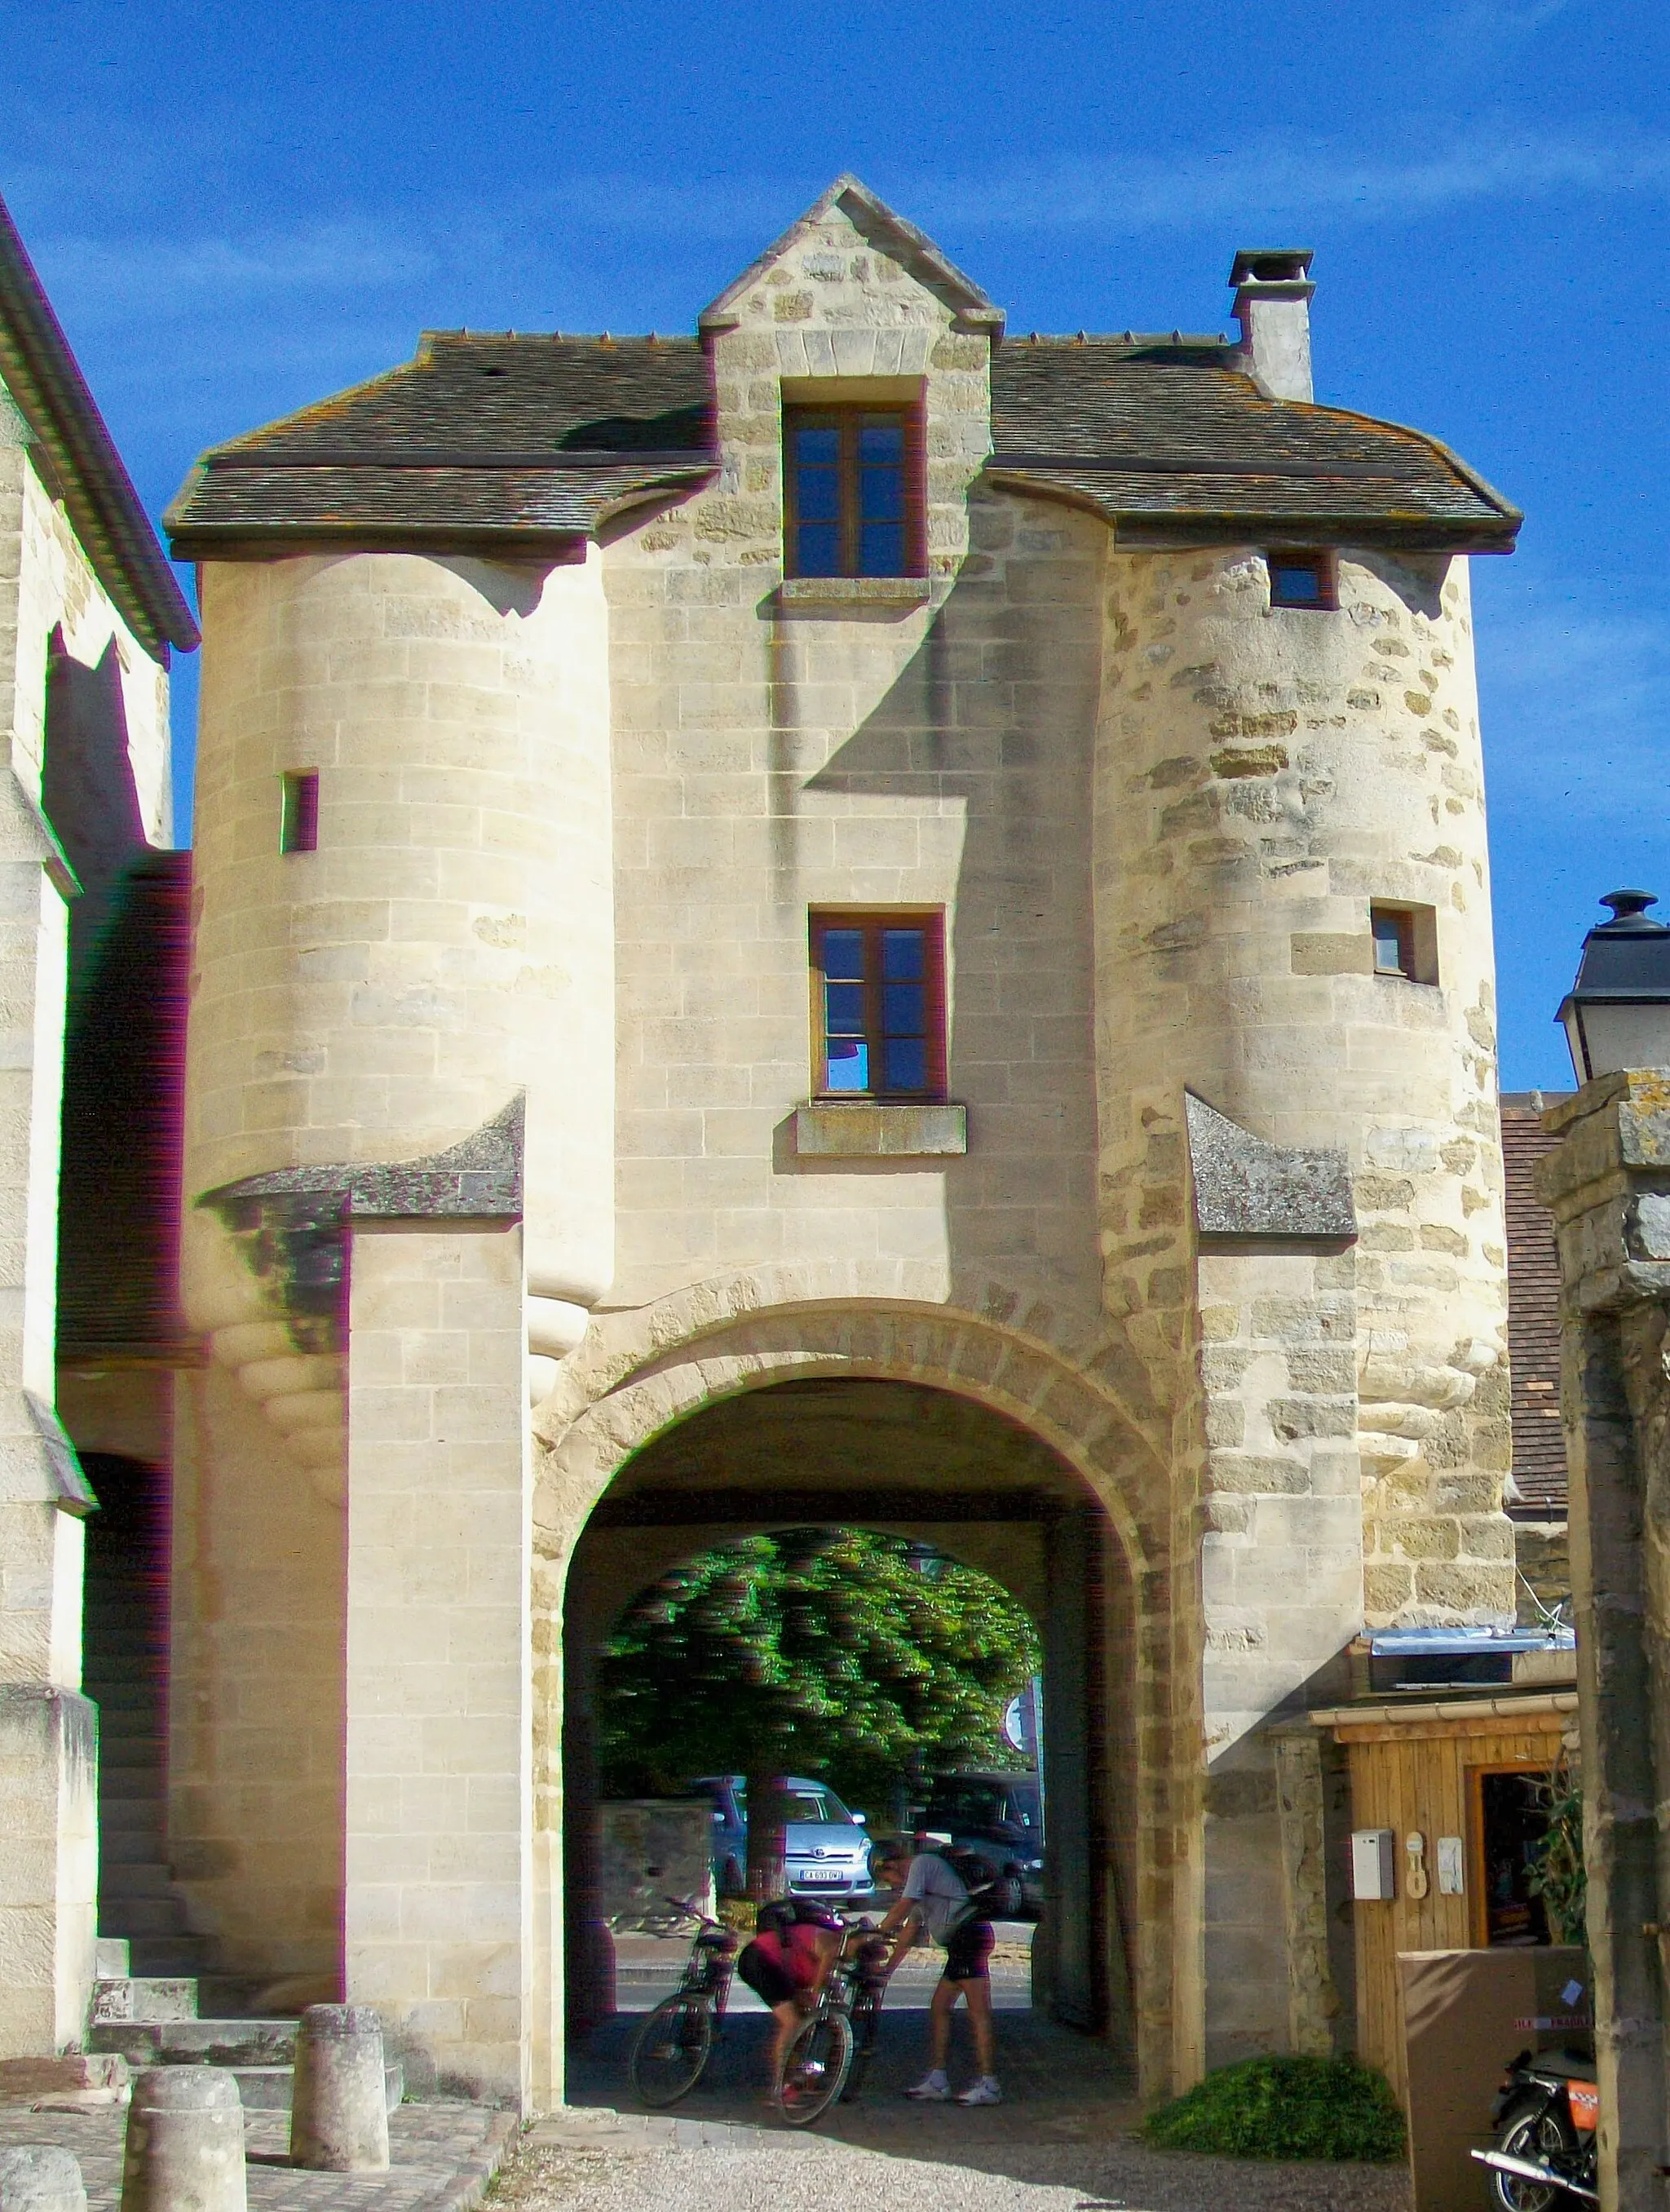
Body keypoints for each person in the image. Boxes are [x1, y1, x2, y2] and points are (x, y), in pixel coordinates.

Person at [871, 1837, 1001, 2106]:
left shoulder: (922, 1864)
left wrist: (877, 1933)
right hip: (960, 1943)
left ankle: (989, 2084)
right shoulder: (919, 1884)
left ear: (891, 1865)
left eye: (886, 1878)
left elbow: (905, 1905)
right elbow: (910, 1930)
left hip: (969, 1936)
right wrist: (888, 1970)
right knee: (939, 2007)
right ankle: (938, 2079)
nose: (892, 1885)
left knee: (978, 2012)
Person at [734, 1897, 843, 2095]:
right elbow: (826, 1957)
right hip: (761, 1960)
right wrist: (815, 1992)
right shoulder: (828, 1938)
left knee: (802, 2022)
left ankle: (796, 2078)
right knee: (792, 2021)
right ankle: (780, 2086)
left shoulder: (815, 1948)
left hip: (778, 1969)